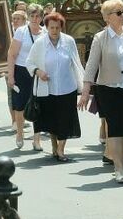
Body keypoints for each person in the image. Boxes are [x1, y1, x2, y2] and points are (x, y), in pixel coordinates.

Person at [79, 0, 123, 184]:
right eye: (118, 13)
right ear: (107, 18)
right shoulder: (100, 38)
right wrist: (85, 91)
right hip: (109, 88)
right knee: (114, 127)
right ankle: (118, 167)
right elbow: (91, 66)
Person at [25, 12, 85, 162]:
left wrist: (82, 86)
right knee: (52, 120)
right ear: (47, 27)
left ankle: (61, 150)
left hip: (67, 88)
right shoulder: (40, 43)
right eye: (51, 27)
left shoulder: (69, 41)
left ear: (61, 28)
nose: (54, 31)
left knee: (65, 120)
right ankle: (54, 147)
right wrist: (38, 72)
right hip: (48, 89)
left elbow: (76, 63)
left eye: (57, 28)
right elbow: (29, 62)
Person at [6, 3, 45, 151]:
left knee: (38, 104)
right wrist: (11, 75)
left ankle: (37, 139)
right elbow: (12, 54)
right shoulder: (21, 32)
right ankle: (20, 133)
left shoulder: (45, 32)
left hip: (38, 72)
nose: (35, 19)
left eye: (38, 16)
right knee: (20, 105)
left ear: (42, 17)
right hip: (21, 71)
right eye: (32, 16)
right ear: (28, 17)